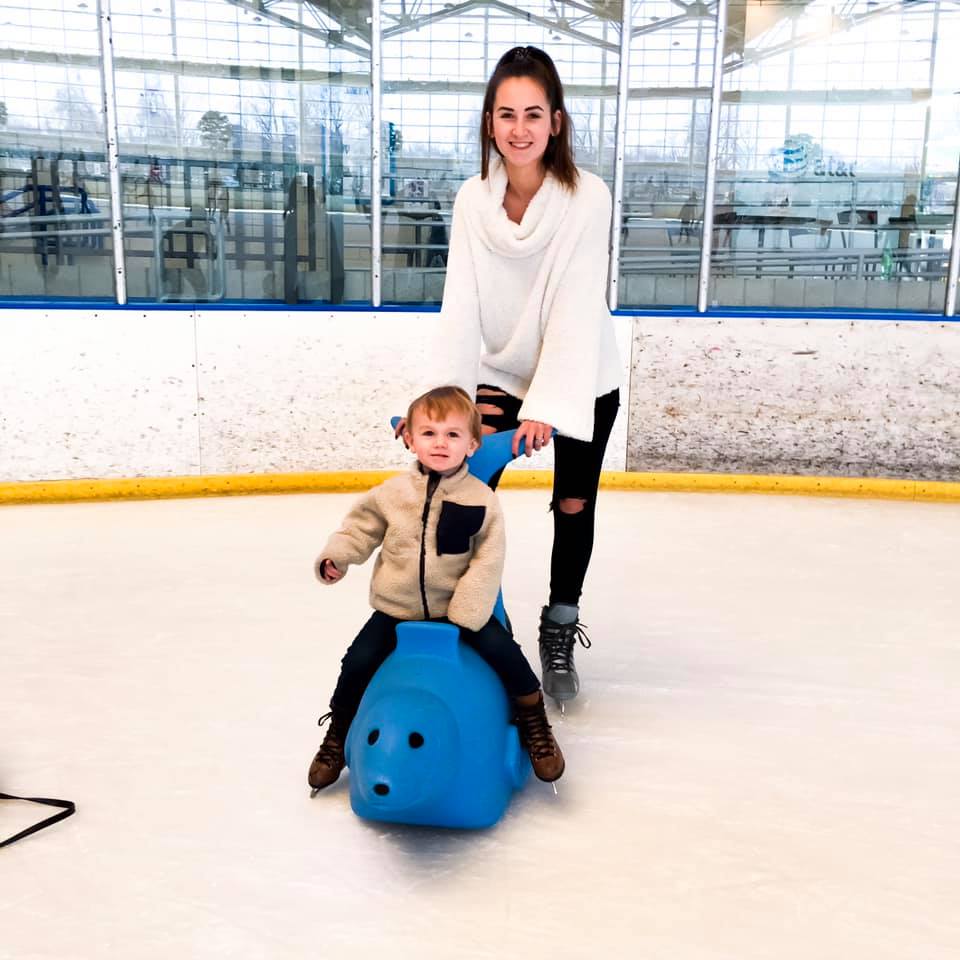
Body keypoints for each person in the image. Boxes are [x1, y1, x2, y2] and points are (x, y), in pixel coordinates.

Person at [400, 46, 621, 705]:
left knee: (573, 503)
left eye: (533, 113)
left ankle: (559, 624)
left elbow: (578, 307)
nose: (519, 128)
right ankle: (466, 619)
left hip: (582, 374)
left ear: (556, 121)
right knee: (463, 487)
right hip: (504, 373)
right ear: (489, 124)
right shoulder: (473, 200)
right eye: (505, 114)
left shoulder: (588, 198)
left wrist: (549, 405)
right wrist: (436, 410)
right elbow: (460, 303)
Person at [308, 386, 564, 791]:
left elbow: (487, 560)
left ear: (472, 444)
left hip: (460, 608)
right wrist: (337, 557)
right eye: (429, 433)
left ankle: (535, 725)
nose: (440, 443)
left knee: (507, 656)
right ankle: (338, 734)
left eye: (452, 435)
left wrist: (467, 611)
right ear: (409, 438)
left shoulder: (481, 500)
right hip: (397, 608)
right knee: (356, 662)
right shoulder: (392, 494)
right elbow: (361, 528)